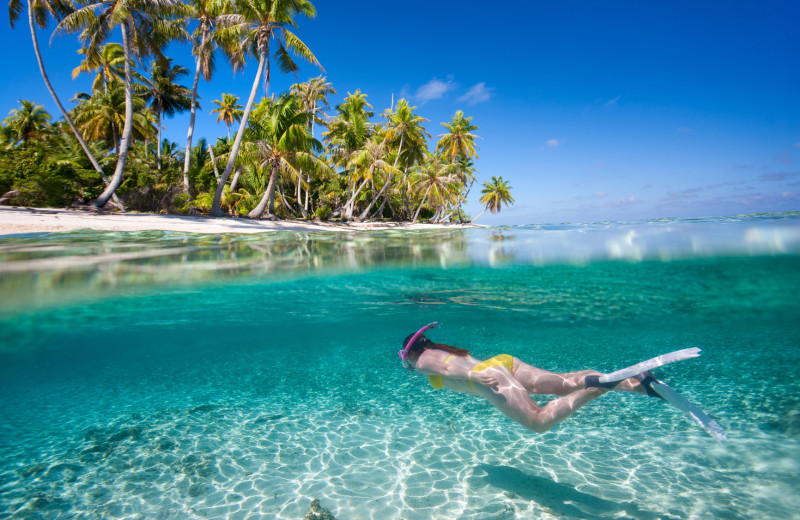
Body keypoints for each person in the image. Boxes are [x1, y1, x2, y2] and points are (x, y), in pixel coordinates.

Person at [399, 323, 651, 433]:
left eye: (406, 357)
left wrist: (474, 374)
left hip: (489, 377)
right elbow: (449, 363)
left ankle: (600, 387)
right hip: (503, 363)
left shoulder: (421, 360)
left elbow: (445, 370)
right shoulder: (441, 349)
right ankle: (636, 382)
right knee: (567, 383)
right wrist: (475, 370)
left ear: (410, 352)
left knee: (538, 422)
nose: (410, 362)